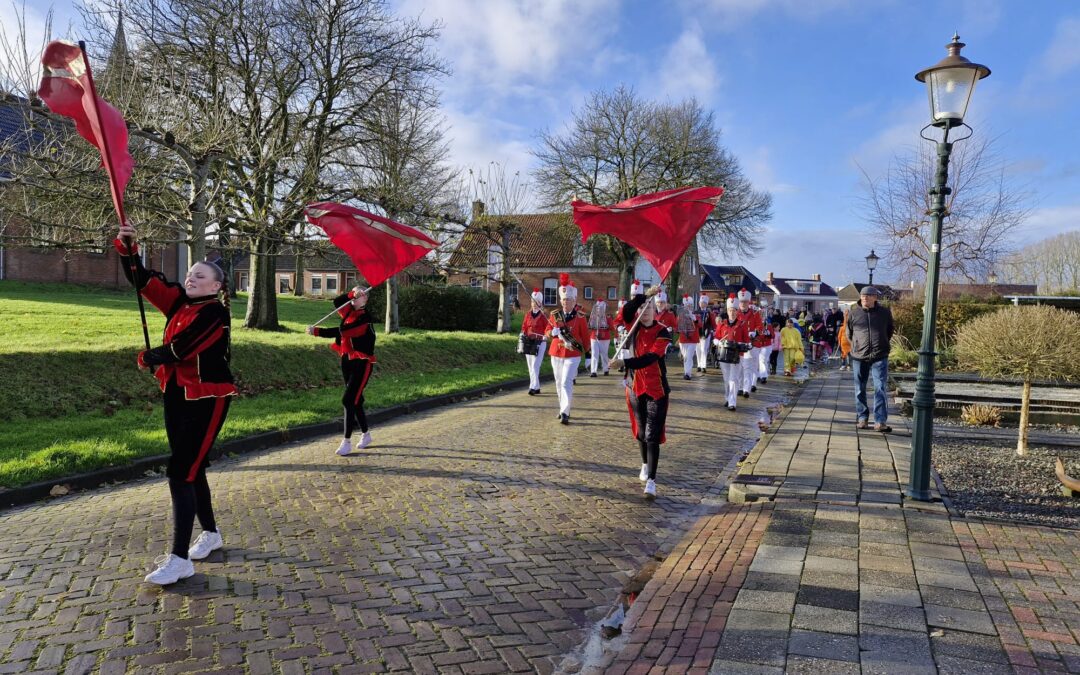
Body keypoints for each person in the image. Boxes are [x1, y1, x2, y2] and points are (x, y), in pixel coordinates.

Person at [116, 222, 237, 586]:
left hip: (207, 398)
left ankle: (180, 558)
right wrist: (129, 248)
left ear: (216, 286)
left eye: (199, 276)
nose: (191, 279)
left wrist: (148, 356)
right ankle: (211, 534)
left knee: (179, 471)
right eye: (189, 274)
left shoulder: (215, 313)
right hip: (175, 393)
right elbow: (144, 281)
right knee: (191, 469)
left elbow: (184, 348)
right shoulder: (180, 301)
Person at [609, 285, 670, 499]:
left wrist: (624, 362)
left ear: (655, 310)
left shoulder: (663, 331)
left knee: (653, 435)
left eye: (649, 308)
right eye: (642, 309)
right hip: (635, 387)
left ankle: (652, 480)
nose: (645, 312)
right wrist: (642, 297)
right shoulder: (632, 326)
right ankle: (644, 464)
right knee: (642, 431)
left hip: (656, 389)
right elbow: (625, 312)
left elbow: (651, 358)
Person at [308, 286, 376, 456]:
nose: (355, 298)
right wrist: (352, 294)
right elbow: (337, 302)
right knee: (356, 400)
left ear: (365, 299)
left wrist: (317, 331)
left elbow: (344, 332)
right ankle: (366, 434)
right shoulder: (347, 312)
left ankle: (346, 441)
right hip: (346, 360)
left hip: (362, 363)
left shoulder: (365, 318)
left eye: (360, 295)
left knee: (348, 400)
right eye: (354, 295)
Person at [846, 286, 894, 432]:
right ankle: (862, 418)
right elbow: (849, 334)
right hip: (859, 356)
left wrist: (882, 343)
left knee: (880, 387)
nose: (864, 298)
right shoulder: (854, 313)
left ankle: (880, 421)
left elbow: (889, 331)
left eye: (867, 296)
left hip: (879, 355)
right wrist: (857, 346)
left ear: (875, 298)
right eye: (862, 296)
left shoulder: (885, 313)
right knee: (859, 388)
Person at [546, 273, 591, 424]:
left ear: (574, 300)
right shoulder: (555, 315)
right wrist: (552, 333)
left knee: (566, 381)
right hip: (556, 353)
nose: (566, 302)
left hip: (573, 354)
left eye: (568, 300)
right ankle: (563, 408)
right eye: (564, 300)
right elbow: (547, 331)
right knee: (558, 382)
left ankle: (565, 412)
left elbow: (585, 336)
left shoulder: (580, 317)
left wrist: (589, 355)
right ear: (561, 300)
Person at [713, 295, 750, 410]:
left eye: (734, 310)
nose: (732, 313)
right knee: (726, 379)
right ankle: (728, 397)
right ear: (727, 311)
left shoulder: (742, 325)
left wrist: (746, 345)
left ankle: (732, 402)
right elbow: (716, 337)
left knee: (734, 379)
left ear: (737, 311)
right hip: (724, 355)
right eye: (730, 310)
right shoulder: (722, 324)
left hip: (736, 355)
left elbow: (747, 340)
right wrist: (718, 342)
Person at [734, 288, 763, 397]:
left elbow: (760, 326)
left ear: (748, 302)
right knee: (740, 367)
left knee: (749, 367)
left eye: (745, 302)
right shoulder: (736, 313)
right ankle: (741, 387)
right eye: (741, 302)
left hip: (753, 343)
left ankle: (747, 388)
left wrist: (754, 332)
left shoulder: (755, 313)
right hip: (740, 343)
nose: (743, 304)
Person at [520, 288, 549, 394]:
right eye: (532, 302)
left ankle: (532, 387)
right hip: (529, 342)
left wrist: (546, 335)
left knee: (535, 365)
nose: (534, 304)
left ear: (540, 303)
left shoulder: (544, 315)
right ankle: (536, 387)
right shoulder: (528, 314)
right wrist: (522, 333)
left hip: (540, 343)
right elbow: (524, 326)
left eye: (536, 302)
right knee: (530, 366)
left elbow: (548, 327)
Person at [676, 294, 700, 380]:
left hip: (693, 339)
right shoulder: (681, 315)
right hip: (683, 338)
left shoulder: (696, 314)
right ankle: (686, 371)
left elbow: (700, 325)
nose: (688, 307)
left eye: (690, 305)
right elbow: (677, 326)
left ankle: (687, 373)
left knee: (689, 356)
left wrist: (695, 319)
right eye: (687, 305)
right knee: (685, 357)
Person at [588, 299, 614, 377]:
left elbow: (612, 328)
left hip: (604, 338)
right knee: (594, 354)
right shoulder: (593, 317)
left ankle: (605, 369)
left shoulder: (608, 318)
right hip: (594, 337)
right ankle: (593, 371)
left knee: (604, 354)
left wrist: (607, 326)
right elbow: (589, 326)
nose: (599, 310)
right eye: (598, 309)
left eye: (601, 309)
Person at [754, 302, 774, 384]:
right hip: (758, 345)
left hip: (766, 345)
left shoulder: (768, 325)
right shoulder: (756, 325)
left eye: (762, 315)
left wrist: (768, 333)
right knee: (760, 361)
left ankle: (763, 376)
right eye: (760, 315)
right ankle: (759, 375)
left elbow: (772, 335)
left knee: (762, 360)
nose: (761, 316)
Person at [694, 294, 713, 374]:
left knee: (704, 350)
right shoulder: (696, 312)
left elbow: (711, 323)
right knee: (698, 350)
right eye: (701, 302)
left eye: (704, 302)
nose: (702, 304)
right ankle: (699, 365)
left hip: (705, 333)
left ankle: (703, 366)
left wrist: (709, 331)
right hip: (697, 333)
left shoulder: (709, 313)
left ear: (706, 304)